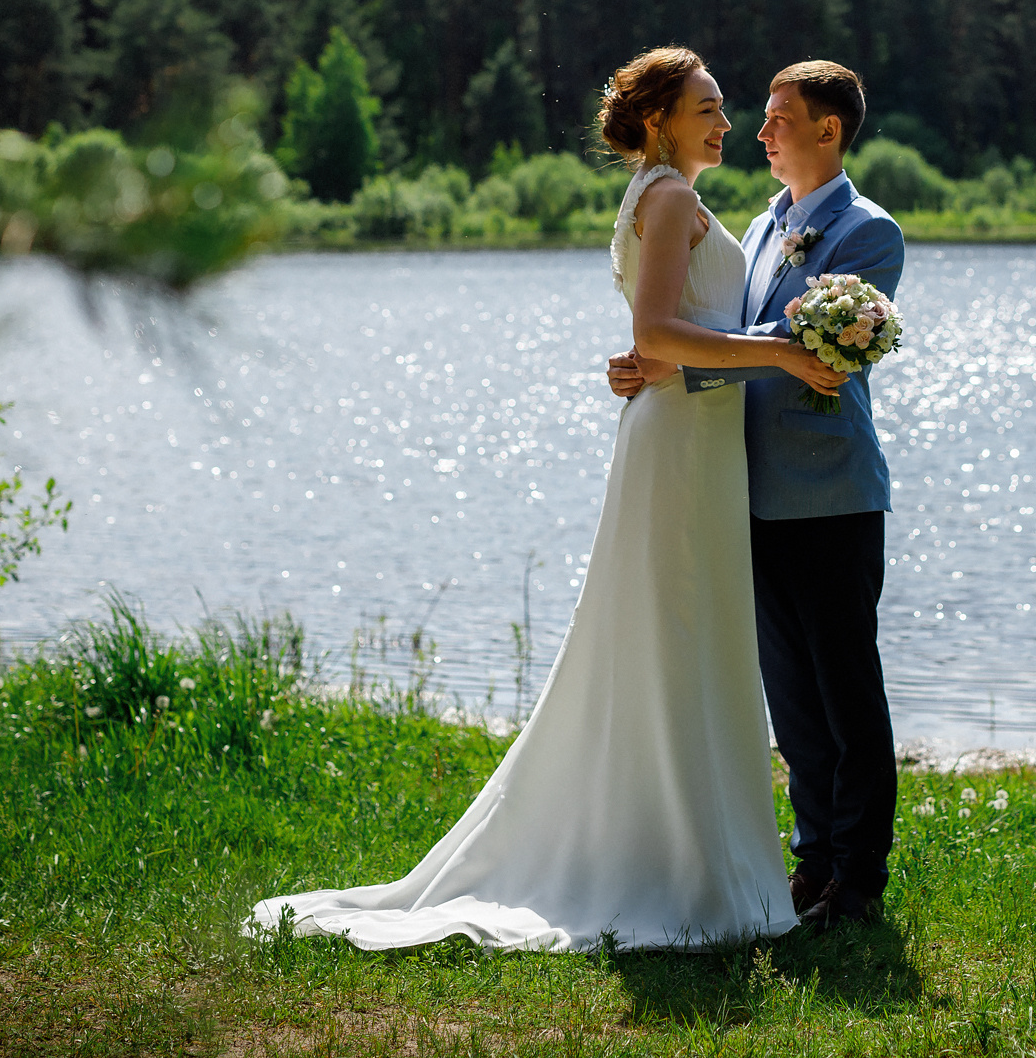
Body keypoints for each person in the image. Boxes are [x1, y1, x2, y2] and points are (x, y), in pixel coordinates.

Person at [246, 47, 846, 952]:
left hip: (688, 429)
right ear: (658, 121)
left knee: (678, 636)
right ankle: (684, 866)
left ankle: (691, 849)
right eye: (708, 108)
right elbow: (655, 330)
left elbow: (666, 332)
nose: (727, 124)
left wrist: (684, 355)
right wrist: (777, 351)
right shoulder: (672, 196)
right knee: (680, 635)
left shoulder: (657, 191)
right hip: (682, 439)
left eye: (727, 109)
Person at [610, 59, 903, 931]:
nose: (760, 131)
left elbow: (790, 341)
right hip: (743, 488)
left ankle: (858, 877)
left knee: (847, 690)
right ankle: (812, 862)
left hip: (829, 491)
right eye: (760, 115)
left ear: (828, 131)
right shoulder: (764, 221)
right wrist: (657, 364)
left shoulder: (867, 232)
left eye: (780, 118)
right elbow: (728, 343)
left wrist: (670, 353)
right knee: (792, 695)